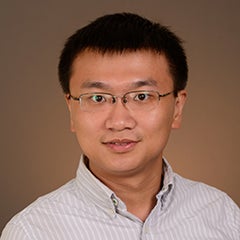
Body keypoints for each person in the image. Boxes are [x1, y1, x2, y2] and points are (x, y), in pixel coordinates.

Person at [1, 12, 239, 240]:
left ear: (177, 107)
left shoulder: (221, 214)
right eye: (97, 98)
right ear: (71, 110)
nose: (119, 122)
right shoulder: (31, 232)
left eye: (142, 96)